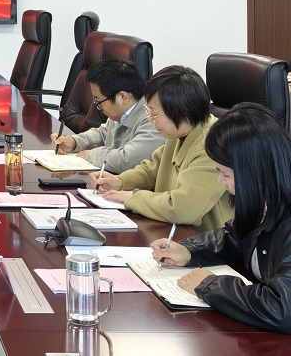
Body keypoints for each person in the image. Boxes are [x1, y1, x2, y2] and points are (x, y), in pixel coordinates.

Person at [151, 103, 291, 333]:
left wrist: (210, 286)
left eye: (225, 174)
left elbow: (283, 309)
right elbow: (237, 236)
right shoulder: (266, 201)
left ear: (253, 172)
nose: (220, 181)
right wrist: (190, 251)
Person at [91, 65, 233, 231]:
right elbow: (152, 170)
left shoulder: (211, 146)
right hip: (173, 229)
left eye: (154, 114)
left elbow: (182, 208)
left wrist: (132, 197)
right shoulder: (179, 130)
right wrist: (121, 181)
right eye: (148, 111)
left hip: (206, 238)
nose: (150, 120)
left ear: (181, 112)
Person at [50, 57, 163, 173]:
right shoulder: (121, 112)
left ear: (123, 97)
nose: (97, 107)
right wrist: (74, 142)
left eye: (98, 101)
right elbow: (103, 134)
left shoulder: (153, 118)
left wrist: (90, 155)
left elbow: (126, 160)